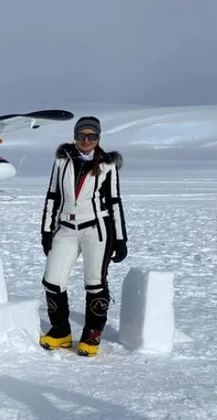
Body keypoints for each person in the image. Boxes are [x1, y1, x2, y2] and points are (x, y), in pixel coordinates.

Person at [37, 115, 128, 357]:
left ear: (98, 138)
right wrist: (46, 230)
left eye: (92, 136)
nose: (86, 140)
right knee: (53, 280)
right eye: (81, 135)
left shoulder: (108, 165)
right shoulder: (61, 162)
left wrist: (121, 238)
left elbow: (114, 202)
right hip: (65, 227)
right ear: (74, 136)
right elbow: (52, 196)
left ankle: (92, 334)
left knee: (95, 282)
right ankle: (60, 331)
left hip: (96, 228)